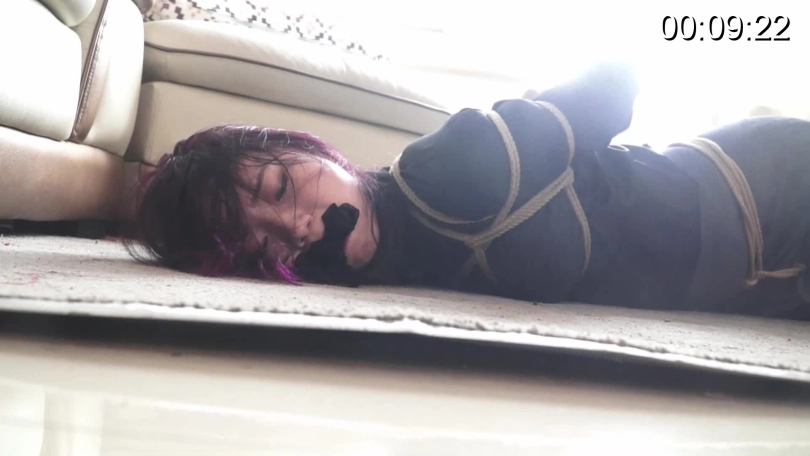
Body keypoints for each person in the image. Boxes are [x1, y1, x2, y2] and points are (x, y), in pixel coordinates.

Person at [124, 62, 810, 321]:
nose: (295, 226)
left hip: (762, 195)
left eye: (279, 185)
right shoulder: (347, 277)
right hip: (755, 291)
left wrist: (542, 116)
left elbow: (616, 80)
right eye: (260, 243)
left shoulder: (456, 166)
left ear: (312, 149)